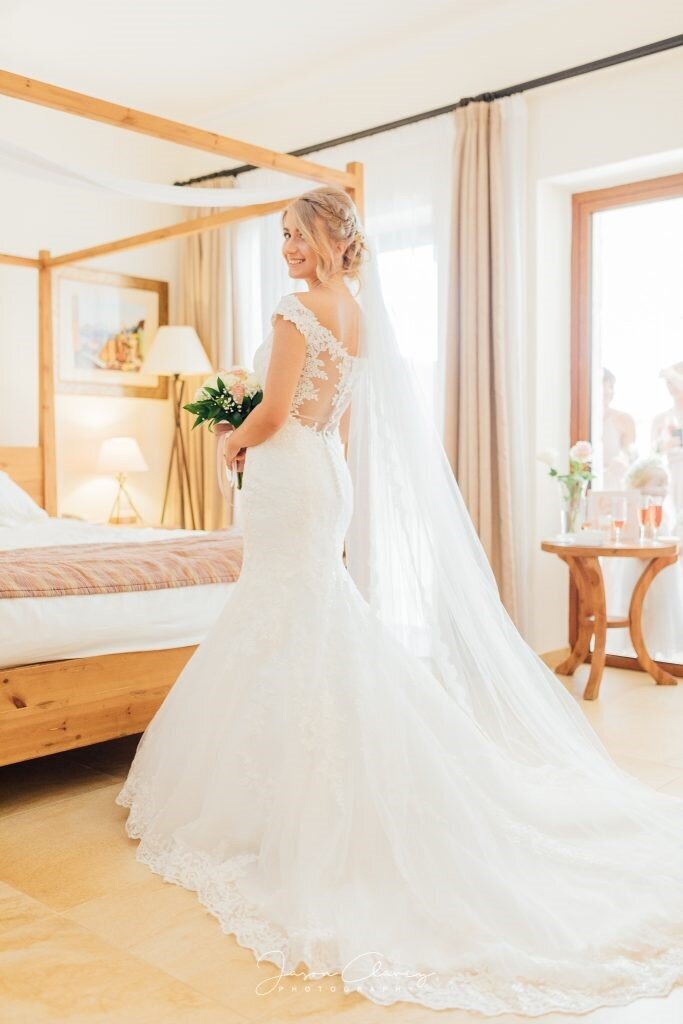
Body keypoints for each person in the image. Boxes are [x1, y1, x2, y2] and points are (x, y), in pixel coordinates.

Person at [116, 186, 683, 1016]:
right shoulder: (357, 313)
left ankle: (273, 798)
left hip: (287, 475)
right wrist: (270, 441)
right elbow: (330, 421)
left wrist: (229, 438)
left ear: (323, 236)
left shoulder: (295, 309)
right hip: (323, 478)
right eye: (279, 239)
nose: (285, 250)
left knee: (283, 615)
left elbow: (274, 411)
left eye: (293, 235)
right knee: (309, 616)